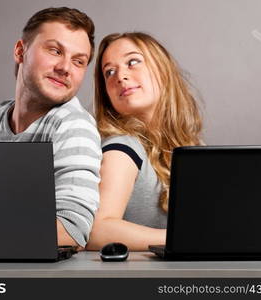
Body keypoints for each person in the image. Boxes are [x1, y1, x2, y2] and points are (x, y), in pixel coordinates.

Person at [0, 7, 101, 248]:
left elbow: (72, 231)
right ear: (21, 51)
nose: (65, 67)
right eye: (55, 50)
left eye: (78, 61)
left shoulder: (74, 126)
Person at [87, 32, 203, 251]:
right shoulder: (122, 148)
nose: (120, 76)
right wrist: (186, 238)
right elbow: (97, 230)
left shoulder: (189, 148)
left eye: (133, 62)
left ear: (162, 69)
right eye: (109, 72)